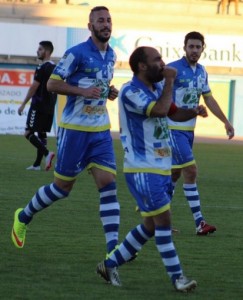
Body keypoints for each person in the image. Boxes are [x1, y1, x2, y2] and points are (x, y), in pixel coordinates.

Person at [11, 6, 121, 259]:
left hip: (100, 130)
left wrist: (108, 92)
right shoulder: (76, 53)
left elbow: (99, 86)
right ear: (90, 26)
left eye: (108, 20)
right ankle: (23, 216)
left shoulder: (112, 55)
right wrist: (82, 92)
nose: (105, 24)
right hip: (74, 131)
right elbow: (51, 84)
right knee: (62, 188)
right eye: (100, 21)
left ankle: (112, 249)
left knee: (108, 185)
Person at [96, 46, 208, 292]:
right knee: (164, 221)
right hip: (142, 168)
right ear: (142, 66)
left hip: (161, 167)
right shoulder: (130, 91)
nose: (163, 63)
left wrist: (193, 112)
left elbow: (173, 114)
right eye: (157, 59)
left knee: (150, 225)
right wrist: (169, 80)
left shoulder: (156, 88)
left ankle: (109, 264)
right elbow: (158, 110)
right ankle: (178, 278)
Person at [167, 31, 234, 235]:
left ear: (203, 48)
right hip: (173, 129)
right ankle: (200, 223)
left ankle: (156, 215)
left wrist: (225, 121)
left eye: (198, 47)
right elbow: (163, 97)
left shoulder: (202, 71)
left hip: (188, 131)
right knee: (191, 171)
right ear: (184, 47)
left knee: (174, 174)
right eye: (191, 46)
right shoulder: (173, 70)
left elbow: (209, 99)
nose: (194, 50)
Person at [18, 41, 56, 171]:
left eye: (40, 49)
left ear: (46, 51)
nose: (37, 51)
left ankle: (47, 154)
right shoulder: (55, 67)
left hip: (38, 105)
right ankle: (36, 165)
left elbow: (34, 86)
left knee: (28, 132)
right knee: (42, 133)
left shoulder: (42, 67)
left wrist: (23, 104)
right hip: (50, 107)